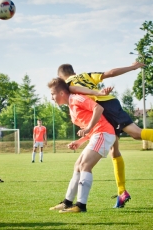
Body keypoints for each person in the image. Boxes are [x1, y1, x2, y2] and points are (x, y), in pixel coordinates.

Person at [57, 62, 153, 207]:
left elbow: (74, 88)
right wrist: (131, 67)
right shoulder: (85, 75)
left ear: (61, 76)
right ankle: (122, 192)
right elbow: (109, 73)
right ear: (73, 71)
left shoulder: (68, 85)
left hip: (105, 107)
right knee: (114, 152)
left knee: (136, 133)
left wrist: (98, 94)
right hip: (108, 105)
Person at [48, 77, 116, 213]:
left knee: (85, 165)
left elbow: (98, 108)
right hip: (97, 134)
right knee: (78, 165)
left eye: (52, 94)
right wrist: (79, 142)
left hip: (104, 133)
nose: (51, 98)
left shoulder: (76, 99)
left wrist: (88, 128)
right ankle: (67, 202)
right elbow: (89, 128)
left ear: (61, 93)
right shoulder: (71, 108)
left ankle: (81, 205)